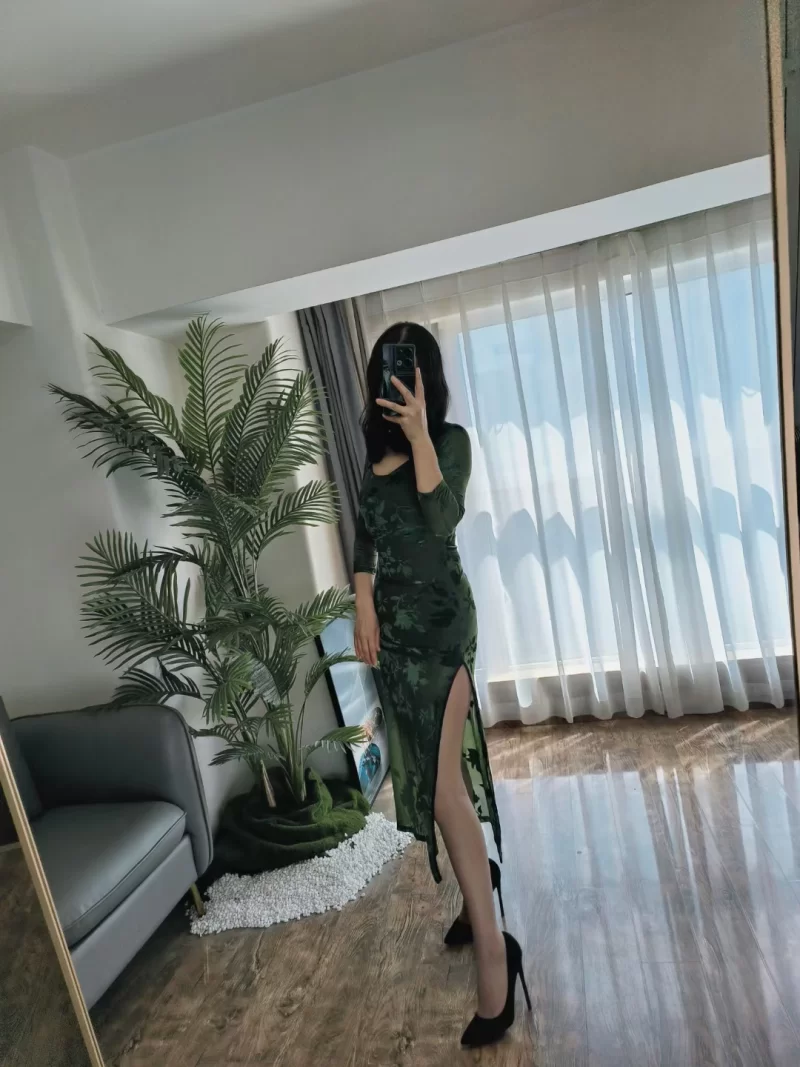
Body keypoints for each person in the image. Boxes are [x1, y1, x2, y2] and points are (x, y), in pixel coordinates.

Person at [352, 322, 530, 1048]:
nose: (397, 382)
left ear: (427, 378)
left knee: (441, 789)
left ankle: (495, 953)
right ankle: (474, 888)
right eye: (387, 372)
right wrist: (362, 604)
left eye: (409, 371)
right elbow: (365, 536)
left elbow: (442, 515)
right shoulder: (372, 457)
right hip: (393, 638)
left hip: (443, 627)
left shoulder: (449, 441)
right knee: (434, 775)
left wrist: (422, 433)